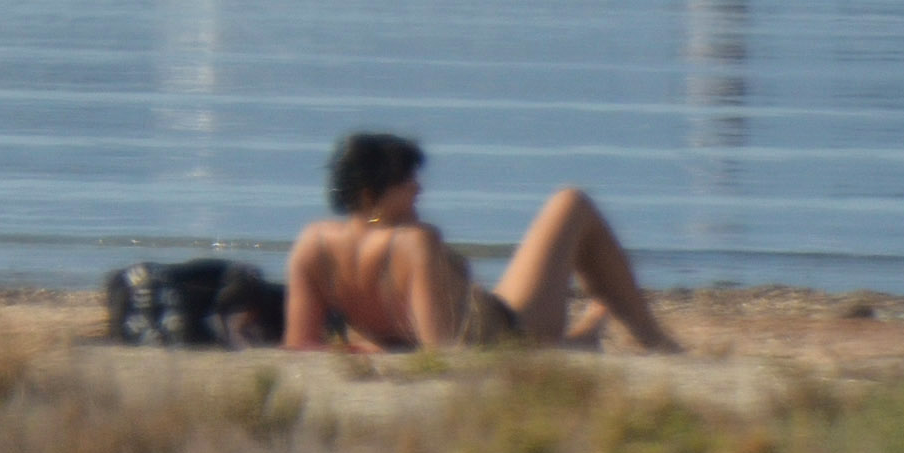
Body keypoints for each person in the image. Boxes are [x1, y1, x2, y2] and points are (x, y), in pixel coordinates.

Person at [283, 131, 682, 353]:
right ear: (370, 196)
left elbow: (300, 346)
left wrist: (368, 349)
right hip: (510, 331)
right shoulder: (412, 243)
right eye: (406, 182)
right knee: (571, 203)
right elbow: (443, 348)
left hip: (468, 322)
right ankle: (651, 338)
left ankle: (590, 331)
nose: (418, 189)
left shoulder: (311, 245)